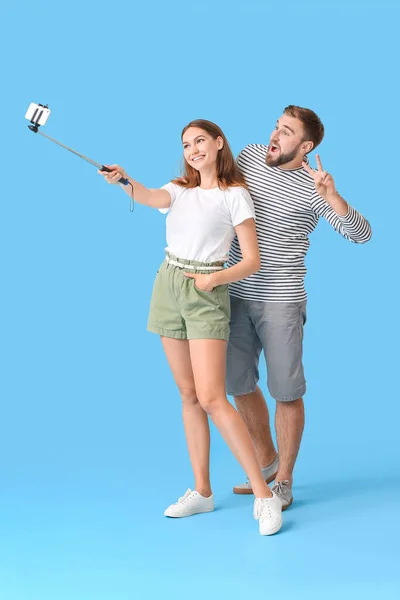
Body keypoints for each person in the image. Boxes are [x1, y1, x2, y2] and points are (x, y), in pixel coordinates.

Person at [98, 119, 283, 535]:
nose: (193, 149)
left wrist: (213, 280)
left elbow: (251, 259)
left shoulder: (235, 195)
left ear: (219, 143)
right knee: (188, 395)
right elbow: (147, 195)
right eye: (186, 144)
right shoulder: (178, 190)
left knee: (213, 396)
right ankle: (202, 491)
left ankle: (264, 495)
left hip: (206, 289)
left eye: (200, 140)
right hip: (168, 284)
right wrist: (123, 180)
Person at [226, 105, 372, 509]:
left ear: (305, 146)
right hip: (235, 291)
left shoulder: (314, 187)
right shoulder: (251, 156)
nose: (275, 135)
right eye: (276, 126)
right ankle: (267, 463)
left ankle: (284, 481)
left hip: (282, 299)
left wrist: (333, 196)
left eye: (286, 131)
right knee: (237, 383)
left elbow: (361, 234)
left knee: (286, 392)